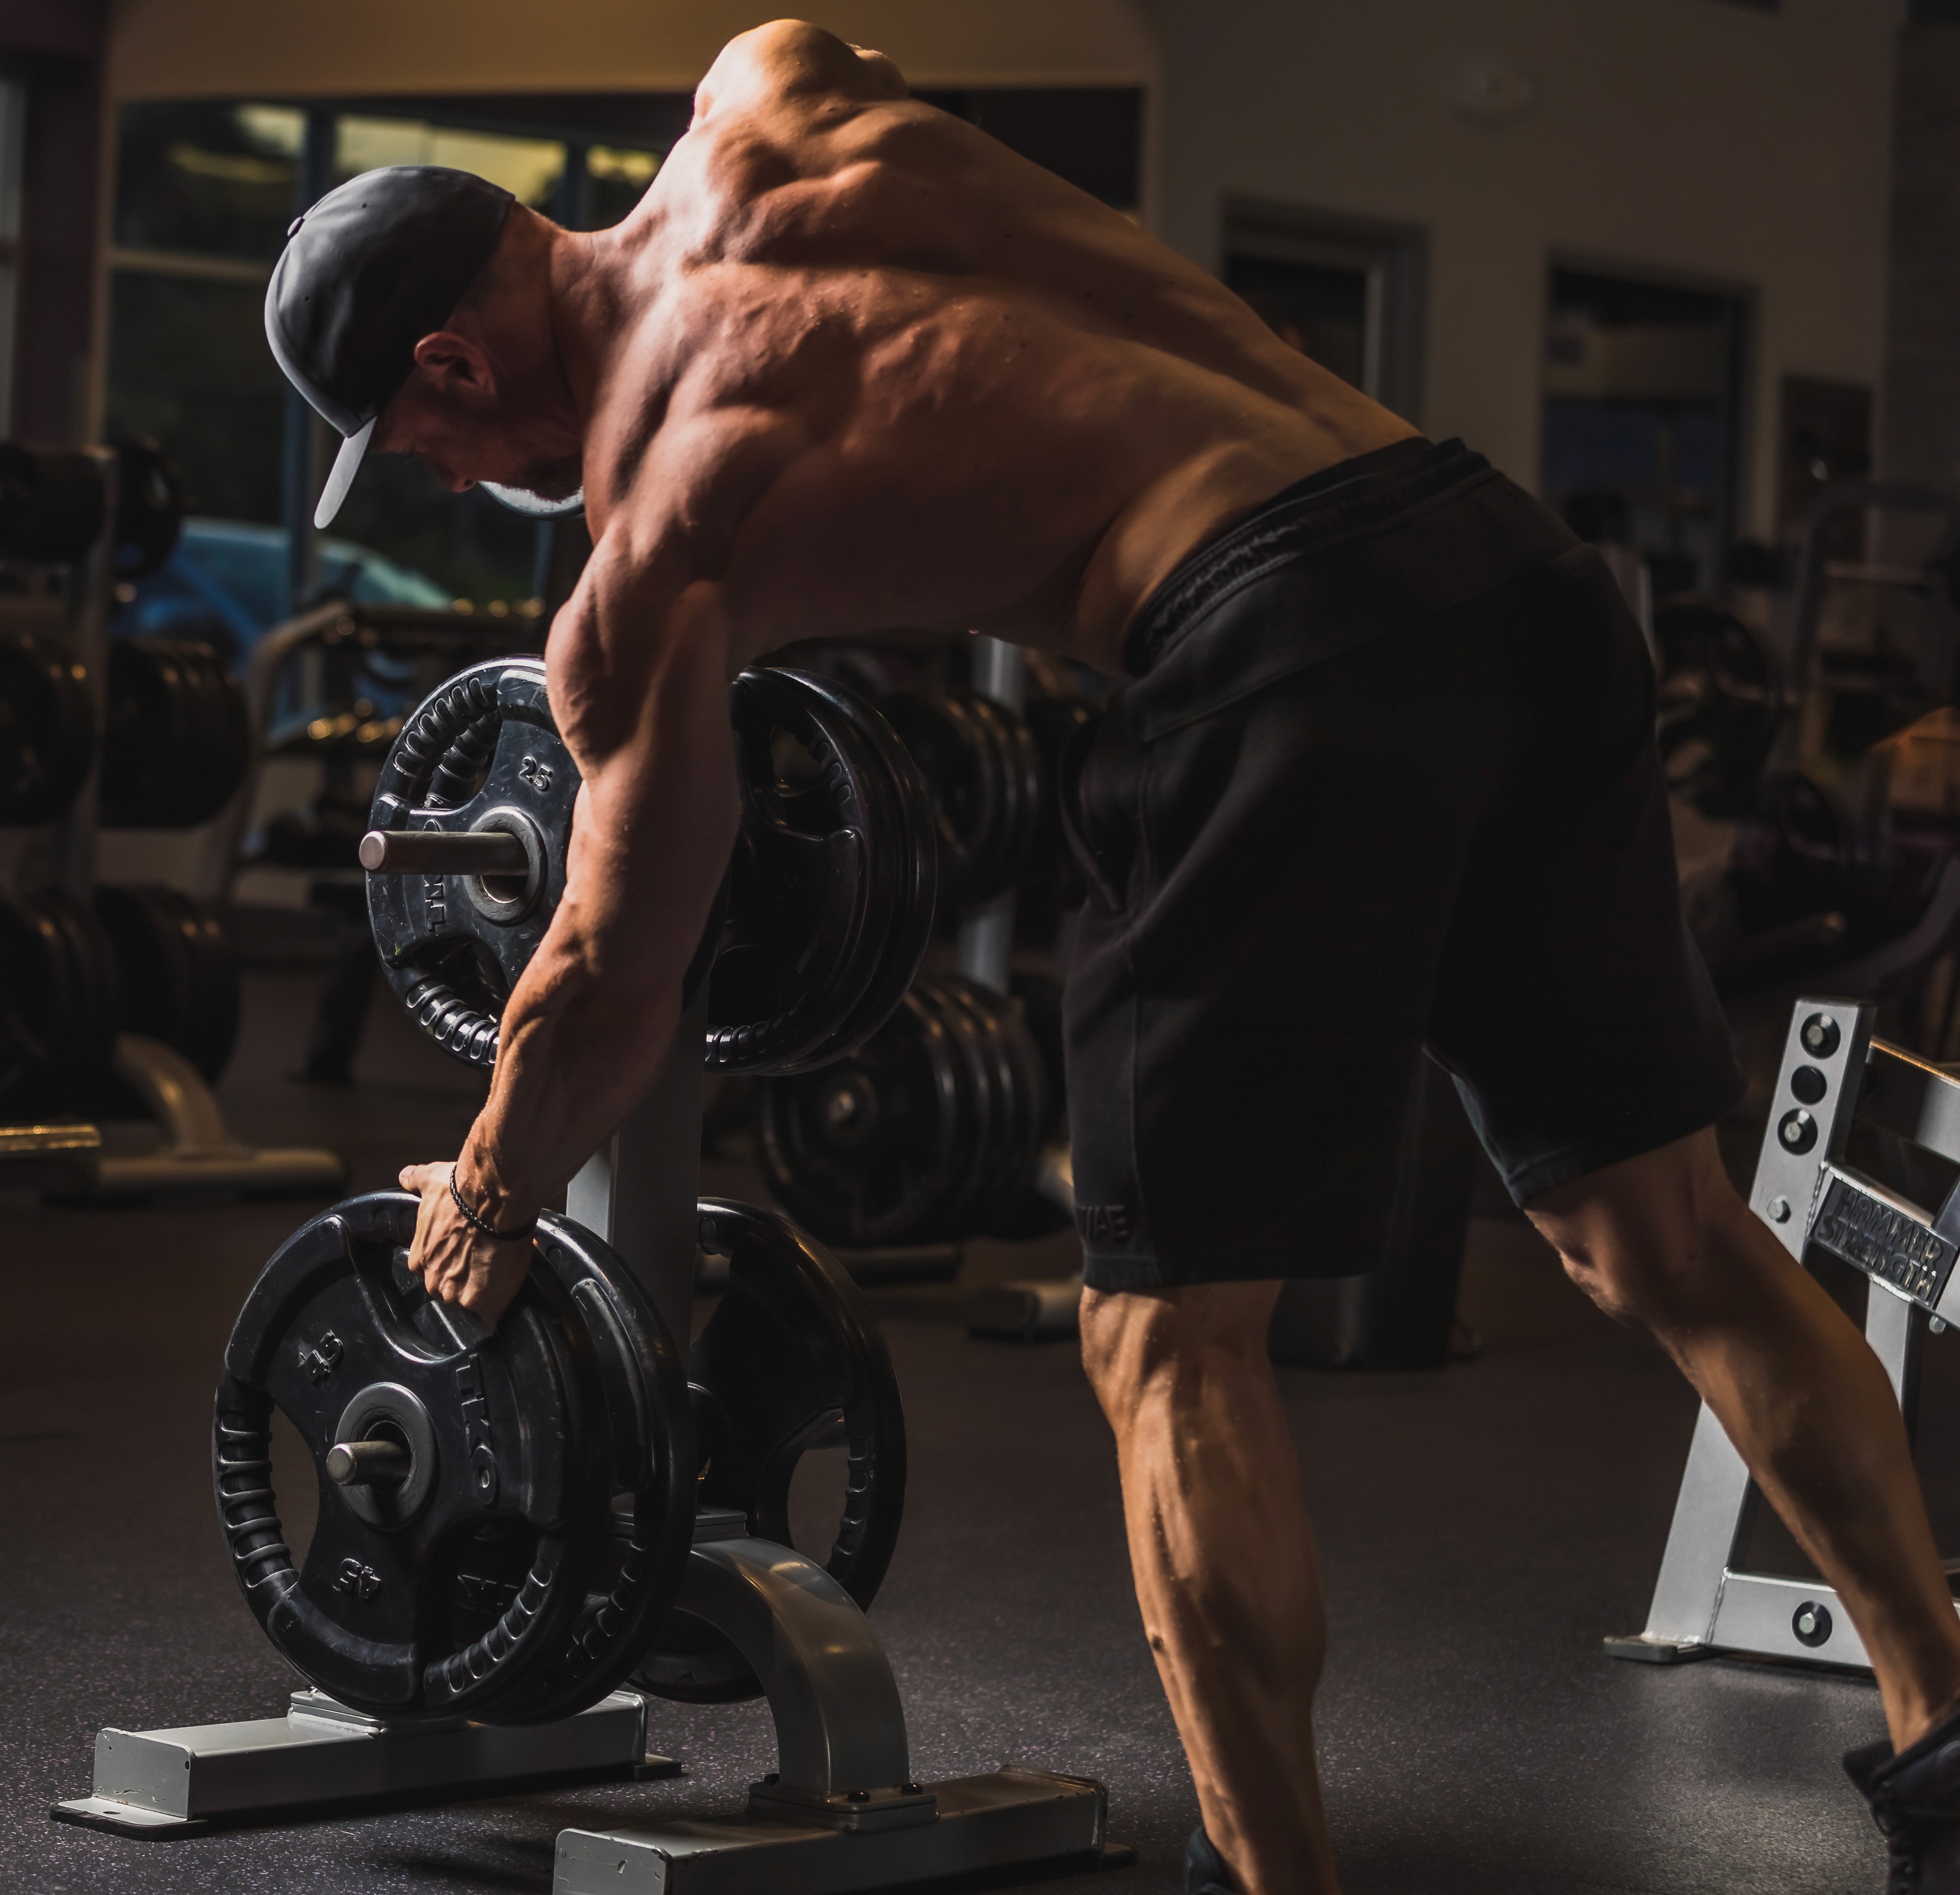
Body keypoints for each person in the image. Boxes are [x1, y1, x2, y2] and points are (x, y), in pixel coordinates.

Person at [261, 22, 1960, 1892]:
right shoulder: (771, 92)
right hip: (1505, 571)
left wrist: (490, 1192)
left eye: (416, 443)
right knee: (1667, 1235)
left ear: (451, 359)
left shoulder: (658, 538)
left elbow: (611, 968)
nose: (439, 475)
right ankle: (1946, 1720)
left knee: (1162, 1337)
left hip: (1267, 632)